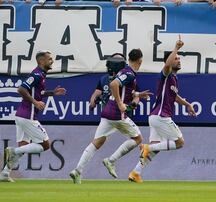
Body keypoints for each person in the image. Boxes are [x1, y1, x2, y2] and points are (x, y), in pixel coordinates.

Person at [69, 49, 152, 184]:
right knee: (138, 139)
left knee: (97, 142)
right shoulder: (129, 73)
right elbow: (114, 84)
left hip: (107, 112)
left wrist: (137, 95)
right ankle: (111, 160)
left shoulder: (124, 72)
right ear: (140, 61)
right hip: (117, 113)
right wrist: (120, 104)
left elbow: (124, 90)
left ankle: (77, 171)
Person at [128, 36, 196, 183]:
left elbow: (175, 96)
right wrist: (176, 48)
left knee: (155, 148)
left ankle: (135, 172)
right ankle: (146, 147)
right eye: (176, 58)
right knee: (179, 142)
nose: (179, 60)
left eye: (179, 58)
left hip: (155, 117)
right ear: (170, 61)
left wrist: (187, 105)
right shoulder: (165, 74)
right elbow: (167, 65)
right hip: (160, 116)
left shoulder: (174, 79)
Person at [0, 50, 66, 182]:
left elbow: (38, 92)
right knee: (45, 145)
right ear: (41, 61)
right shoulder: (36, 74)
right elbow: (21, 89)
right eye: (49, 59)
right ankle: (12, 151)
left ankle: (5, 173)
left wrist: (52, 93)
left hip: (22, 116)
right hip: (27, 116)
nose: (52, 61)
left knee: (23, 146)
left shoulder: (41, 75)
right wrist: (35, 102)